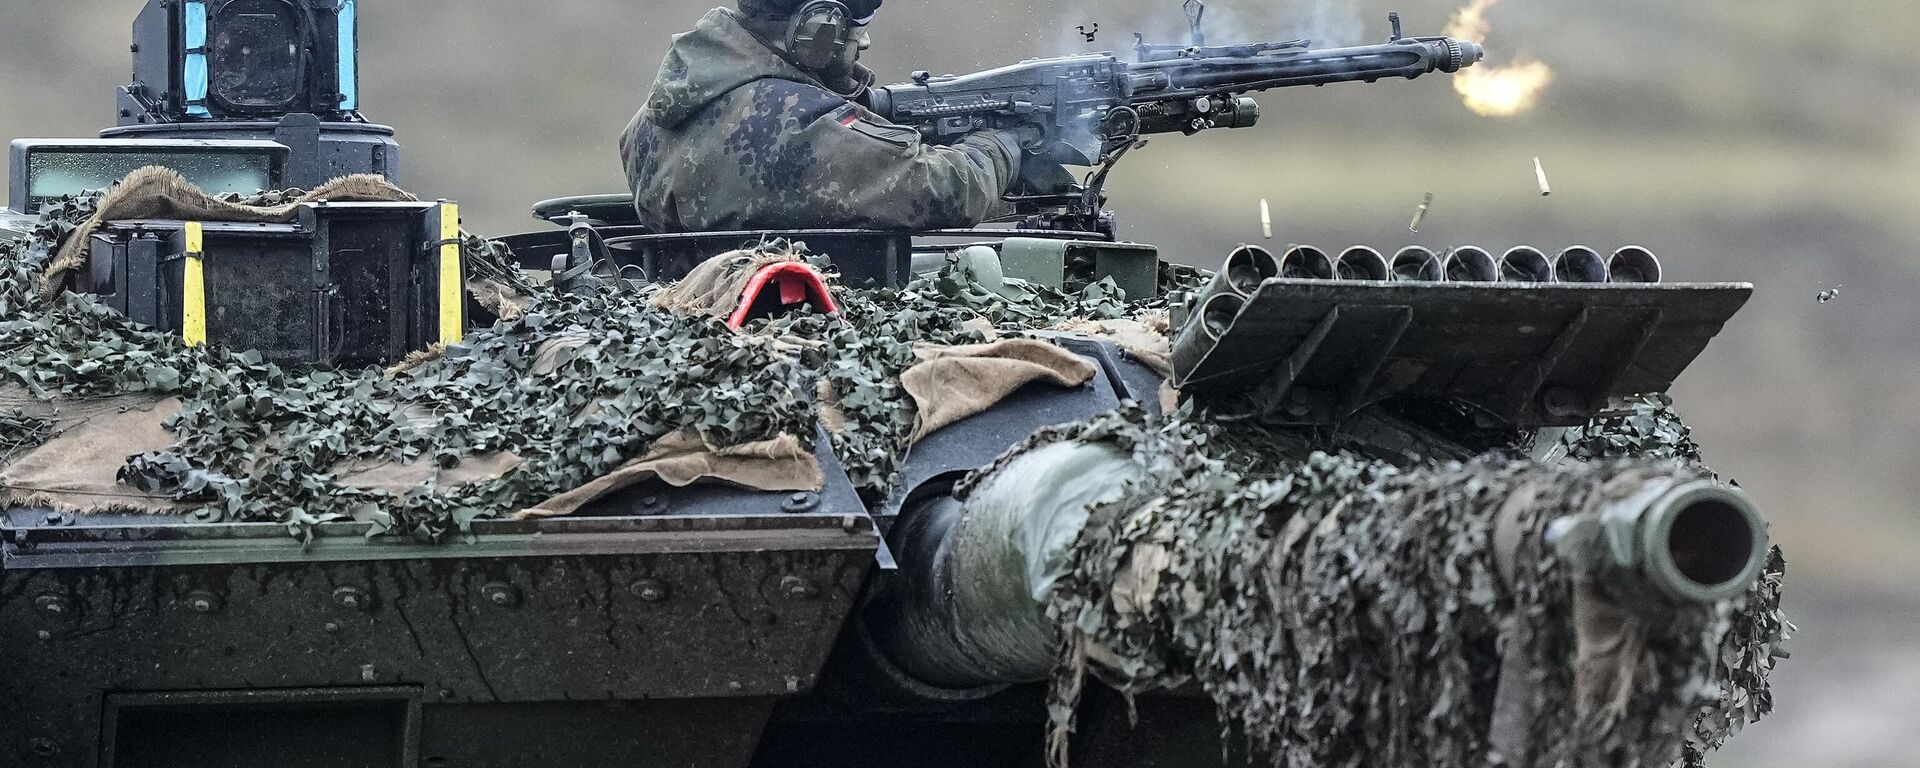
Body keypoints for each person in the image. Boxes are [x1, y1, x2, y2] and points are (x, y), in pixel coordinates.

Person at [620, 0, 1037, 232]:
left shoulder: (648, 122)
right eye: (855, 29)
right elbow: (946, 188)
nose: (865, 42)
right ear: (817, 28)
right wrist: (1003, 144)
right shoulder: (795, 122)